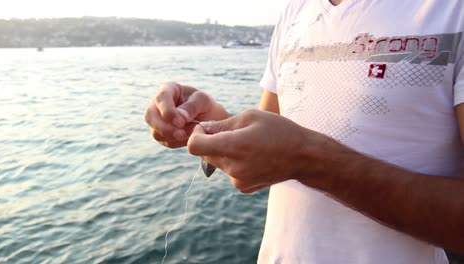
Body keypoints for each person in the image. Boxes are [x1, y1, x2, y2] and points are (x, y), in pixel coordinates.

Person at [145, 0, 464, 263]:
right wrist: (212, 122)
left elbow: (296, 154)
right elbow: (261, 162)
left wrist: (310, 161)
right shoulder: (294, 13)